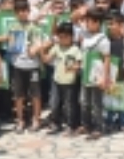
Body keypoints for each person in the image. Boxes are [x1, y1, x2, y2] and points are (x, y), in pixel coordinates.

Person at [3, 0, 46, 133]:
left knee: (36, 94)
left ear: (28, 11)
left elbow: (44, 42)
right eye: (19, 11)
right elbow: (8, 43)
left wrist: (36, 48)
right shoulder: (11, 27)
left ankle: (36, 119)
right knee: (18, 95)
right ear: (15, 13)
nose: (22, 13)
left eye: (24, 10)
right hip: (18, 65)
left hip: (33, 66)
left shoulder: (35, 27)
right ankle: (20, 120)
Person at [43, 22, 82, 135]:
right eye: (60, 37)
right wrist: (42, 50)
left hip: (70, 82)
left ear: (71, 37)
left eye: (65, 37)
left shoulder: (75, 49)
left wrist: (74, 67)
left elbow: (80, 64)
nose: (62, 40)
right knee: (54, 103)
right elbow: (47, 59)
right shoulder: (56, 47)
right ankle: (56, 124)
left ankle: (71, 125)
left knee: (70, 105)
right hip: (57, 80)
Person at [80, 8, 110, 139]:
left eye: (90, 21)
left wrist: (105, 77)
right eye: (86, 21)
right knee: (84, 101)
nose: (87, 23)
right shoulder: (85, 35)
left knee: (97, 102)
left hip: (97, 75)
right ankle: (86, 125)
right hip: (85, 73)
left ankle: (98, 127)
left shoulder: (103, 39)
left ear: (98, 23)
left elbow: (106, 59)